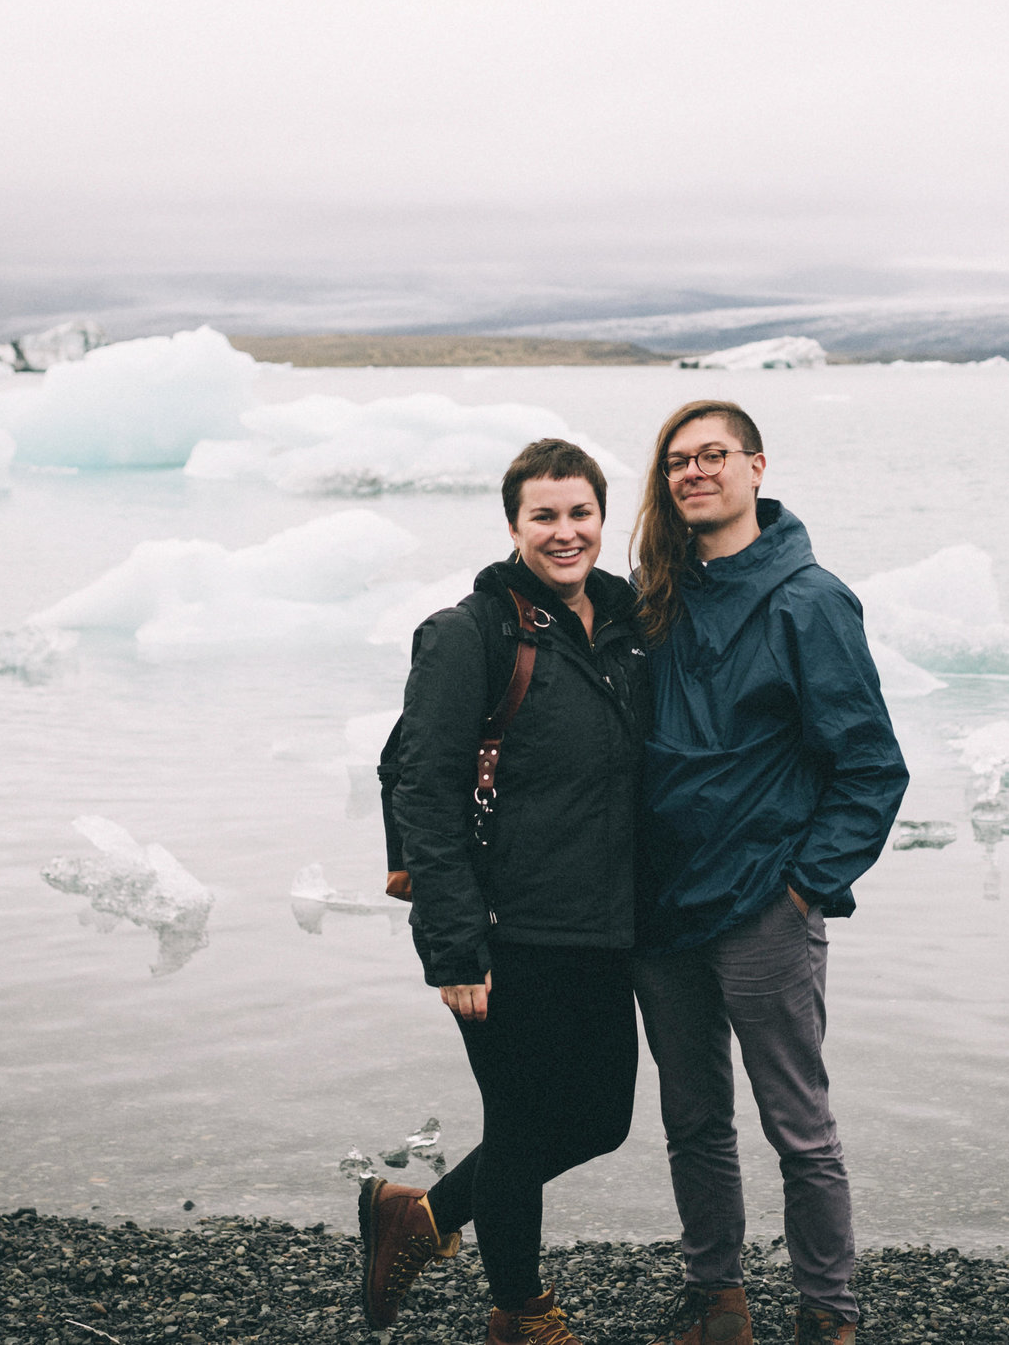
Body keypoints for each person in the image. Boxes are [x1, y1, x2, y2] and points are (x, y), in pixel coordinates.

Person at [628, 400, 909, 1345]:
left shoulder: (809, 598)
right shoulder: (654, 594)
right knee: (694, 1118)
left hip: (761, 907)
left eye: (713, 455)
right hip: (662, 908)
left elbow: (872, 765)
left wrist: (803, 884)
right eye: (678, 460)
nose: (694, 472)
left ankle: (828, 1312)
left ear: (756, 466)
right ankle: (717, 1299)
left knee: (799, 1124)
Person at [361, 438, 650, 1345]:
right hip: (504, 930)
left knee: (601, 1119)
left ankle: (425, 1216)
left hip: (605, 925)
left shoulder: (629, 626)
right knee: (523, 1124)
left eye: (581, 513)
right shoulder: (470, 633)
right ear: (514, 525)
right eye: (545, 515)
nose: (566, 532)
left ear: (604, 518)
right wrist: (453, 947)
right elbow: (420, 785)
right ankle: (521, 1315)